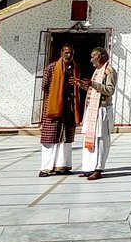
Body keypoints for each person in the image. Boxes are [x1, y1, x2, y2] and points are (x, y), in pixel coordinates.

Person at [40, 44, 81, 176]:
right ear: (61, 53)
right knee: (50, 137)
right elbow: (45, 86)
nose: (68, 55)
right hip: (53, 106)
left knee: (66, 138)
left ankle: (62, 166)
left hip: (69, 107)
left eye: (71, 53)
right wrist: (57, 94)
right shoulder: (51, 68)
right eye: (66, 52)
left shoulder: (76, 68)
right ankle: (46, 168)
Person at [78, 49, 117, 181]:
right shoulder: (97, 71)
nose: (91, 60)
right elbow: (93, 89)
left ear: (101, 57)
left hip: (102, 109)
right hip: (92, 108)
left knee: (101, 140)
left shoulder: (109, 71)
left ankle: (98, 168)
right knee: (90, 139)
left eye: (93, 57)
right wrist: (82, 85)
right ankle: (88, 167)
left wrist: (93, 84)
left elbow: (110, 90)